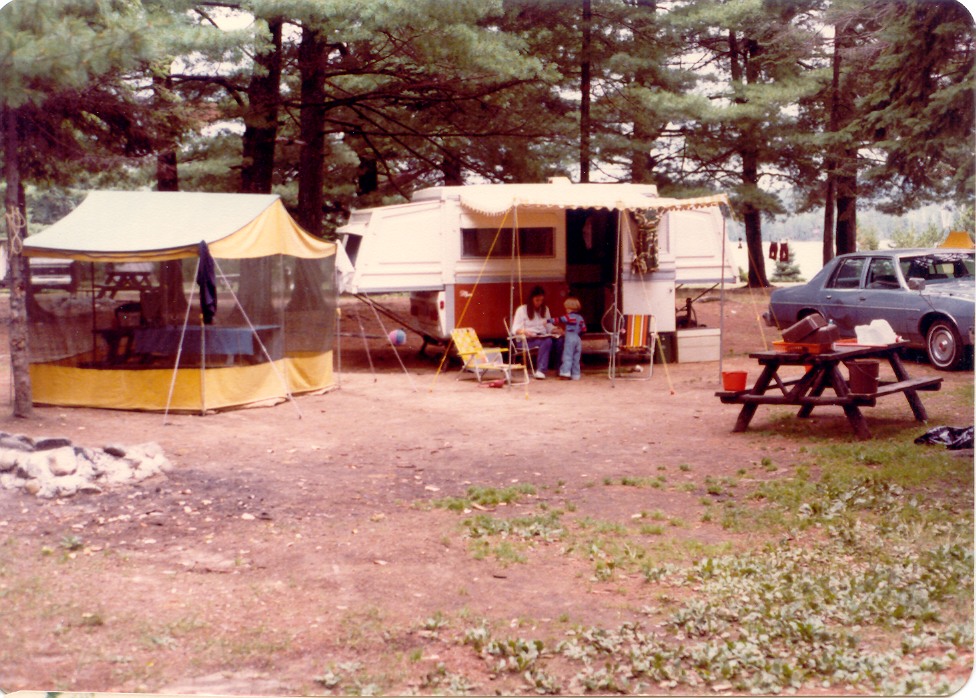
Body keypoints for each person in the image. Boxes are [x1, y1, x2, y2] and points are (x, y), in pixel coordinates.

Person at [511, 286, 562, 380]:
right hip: (526, 340)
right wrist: (526, 332)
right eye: (537, 300)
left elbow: (548, 326)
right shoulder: (522, 310)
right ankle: (540, 371)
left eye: (541, 300)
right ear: (531, 299)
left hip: (541, 337)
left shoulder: (544, 309)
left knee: (559, 340)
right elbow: (515, 329)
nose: (539, 303)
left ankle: (560, 369)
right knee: (547, 341)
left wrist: (556, 330)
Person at [549, 297, 587, 380]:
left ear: (569, 308)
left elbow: (559, 320)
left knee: (567, 355)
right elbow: (584, 329)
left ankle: (565, 373)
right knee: (576, 357)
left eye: (566, 308)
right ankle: (576, 374)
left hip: (570, 337)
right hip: (577, 338)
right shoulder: (580, 318)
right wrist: (578, 335)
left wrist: (548, 321)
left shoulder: (569, 317)